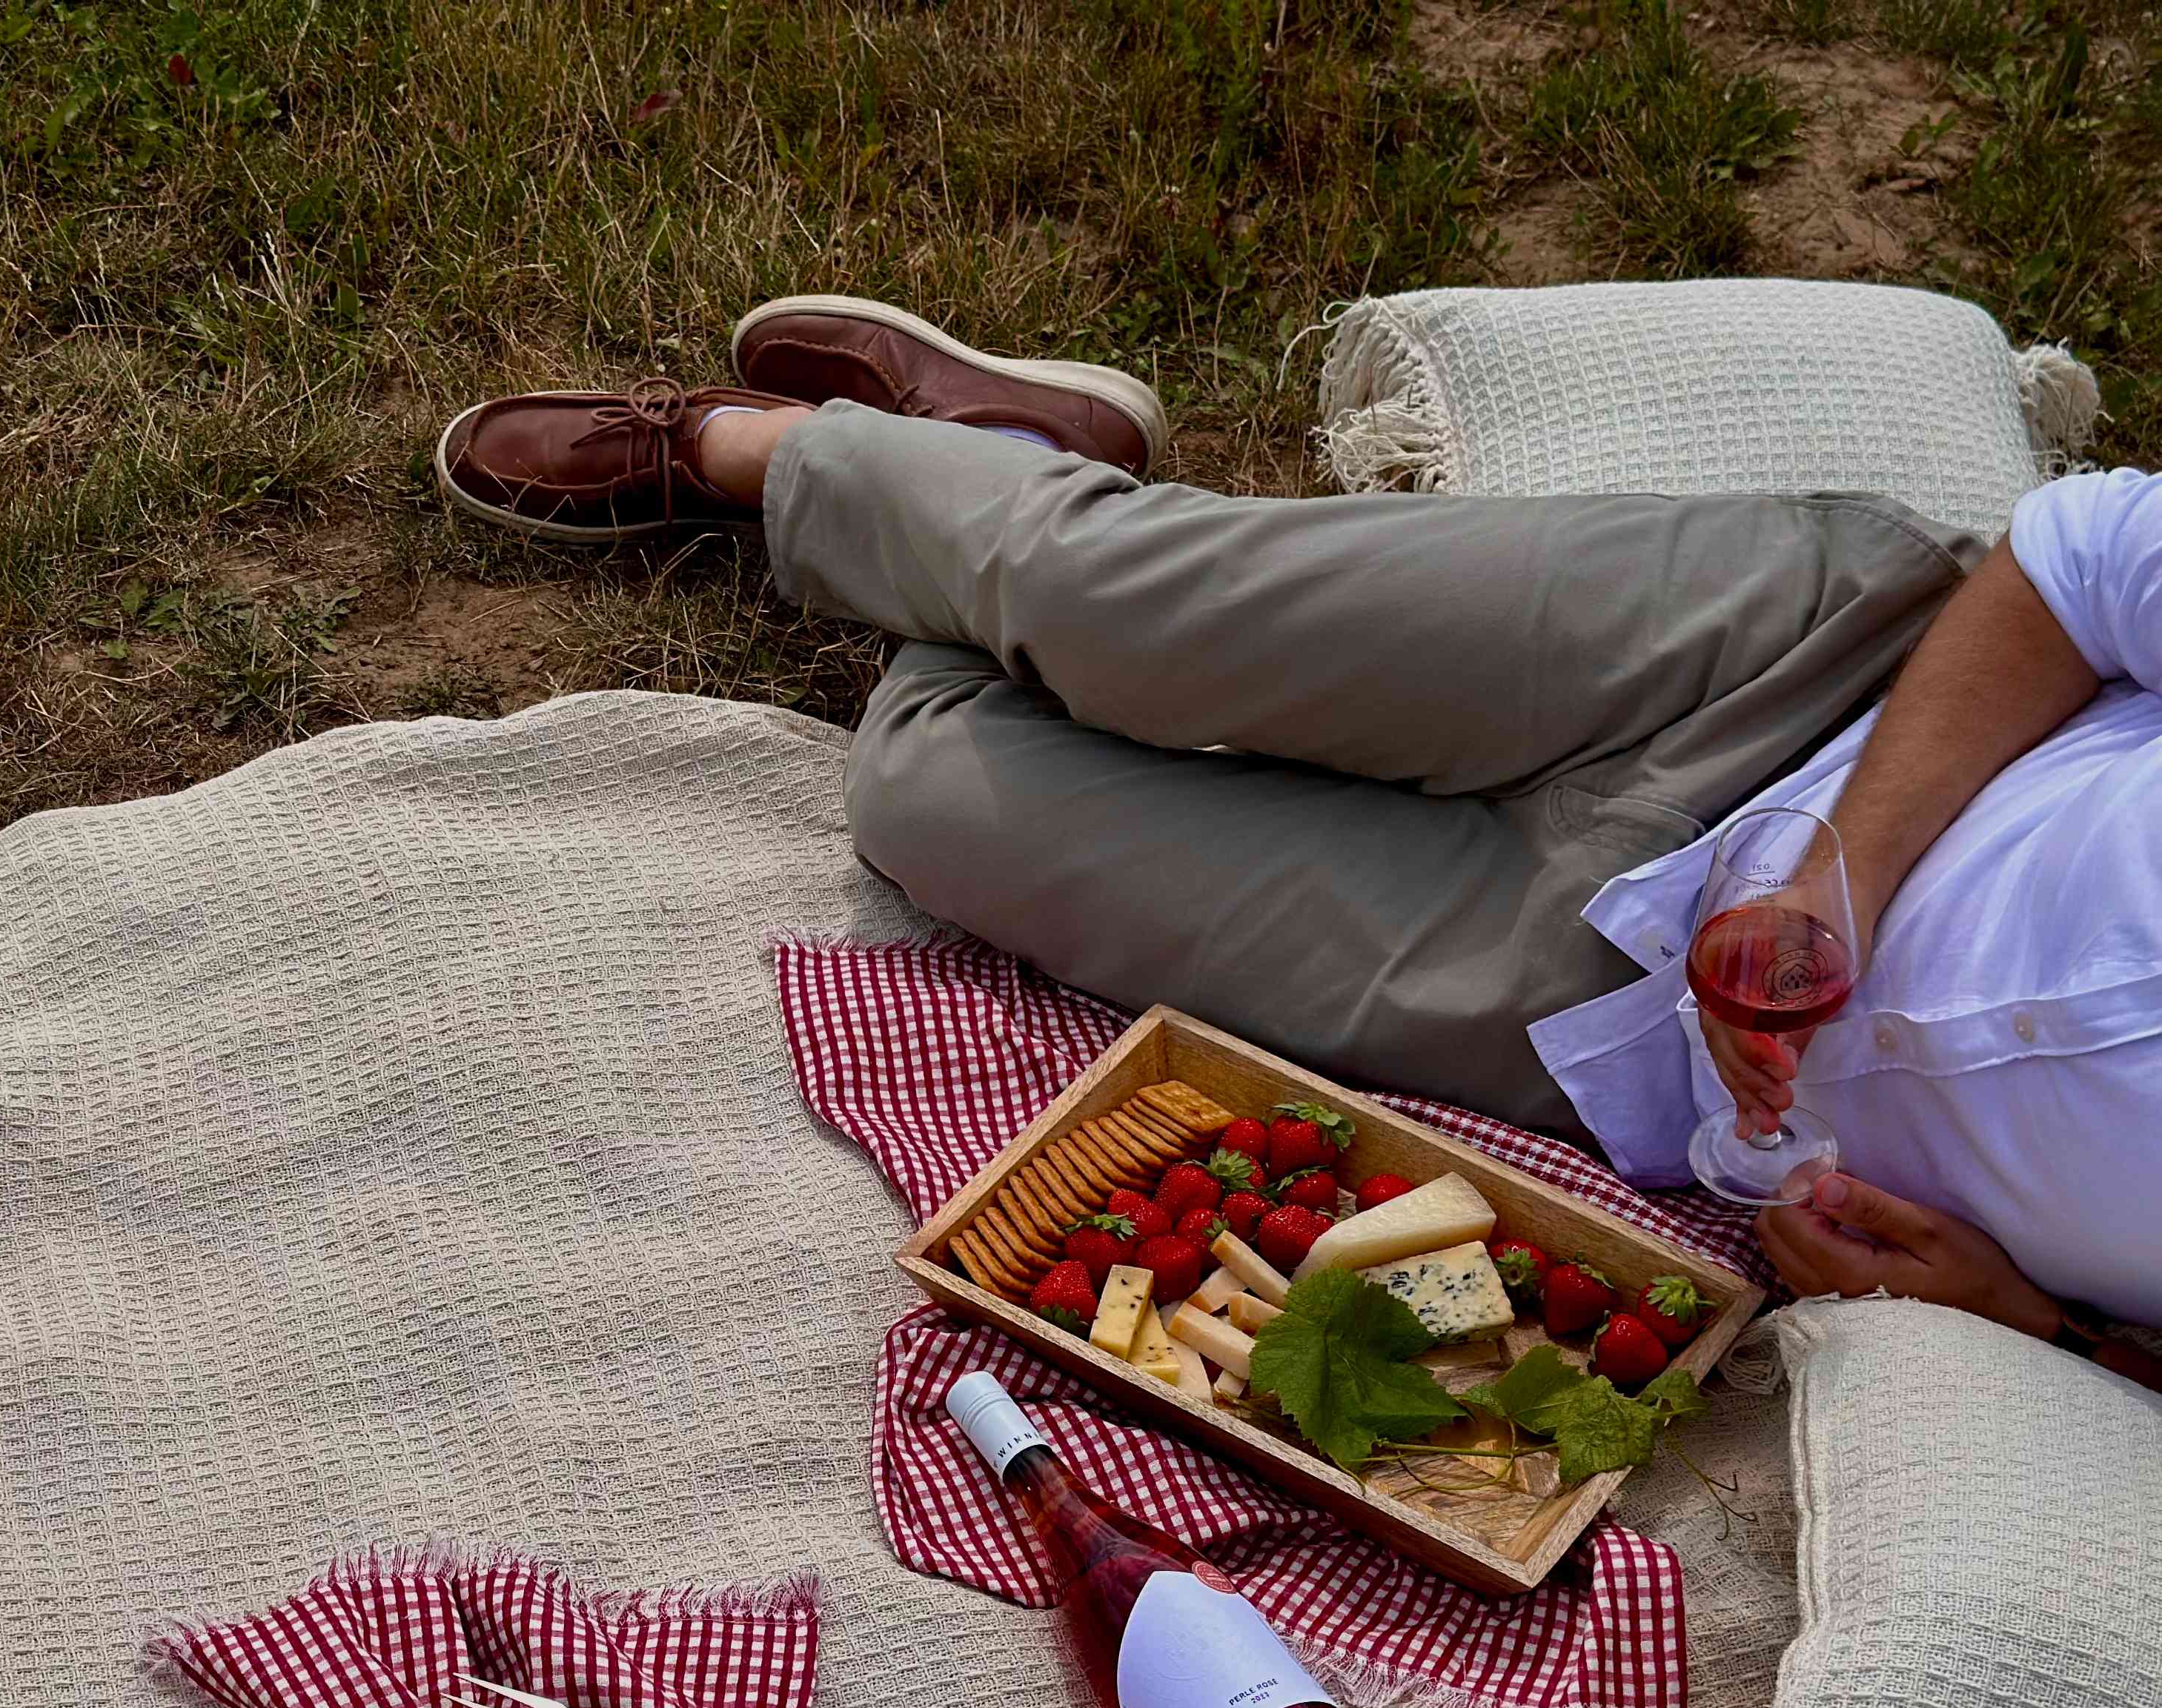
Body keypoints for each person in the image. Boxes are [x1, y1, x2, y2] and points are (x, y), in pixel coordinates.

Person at [435, 297, 2162, 1378]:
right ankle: (774, 453)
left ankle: (1000, 454)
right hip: (1808, 680)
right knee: (1113, 612)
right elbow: (2077, 562)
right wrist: (1834, 878)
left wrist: (2040, 1325)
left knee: (929, 803)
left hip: (1622, 1041)